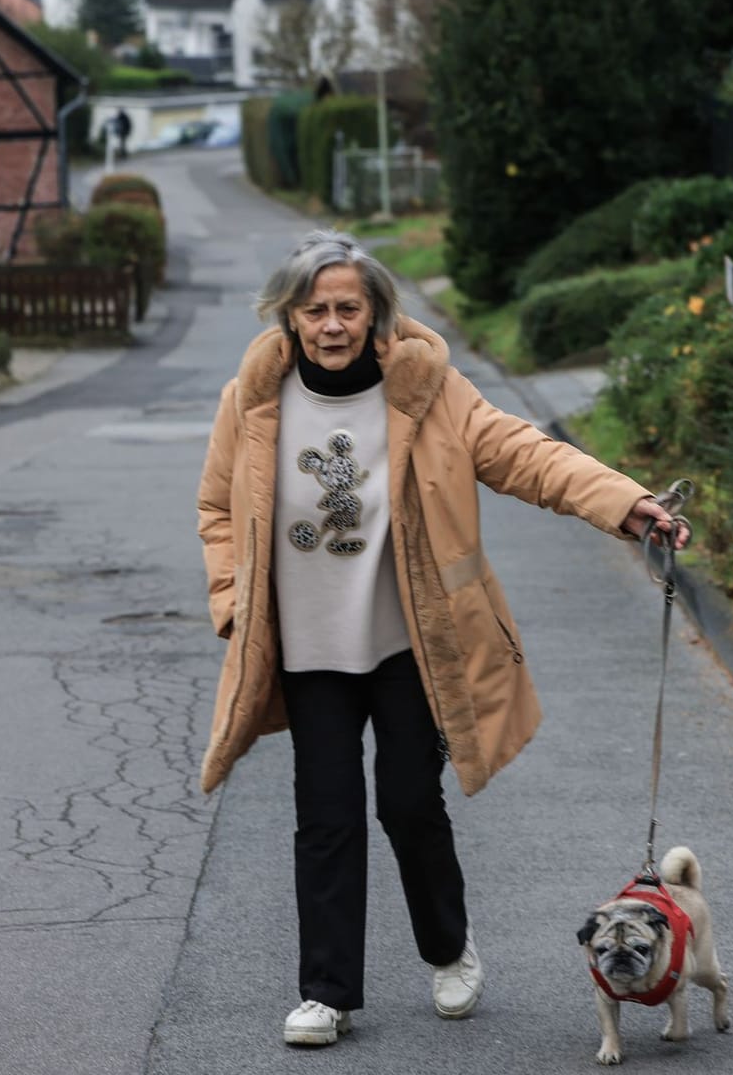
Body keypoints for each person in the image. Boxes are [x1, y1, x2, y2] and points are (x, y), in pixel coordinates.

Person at [195, 230, 689, 1047]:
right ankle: (326, 993)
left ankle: (448, 948)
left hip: (407, 644)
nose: (330, 326)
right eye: (313, 310)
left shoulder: (430, 391)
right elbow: (217, 511)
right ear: (288, 316)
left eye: (347, 308)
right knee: (326, 818)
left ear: (377, 313)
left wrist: (624, 503)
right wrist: (234, 604)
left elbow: (524, 454)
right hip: (308, 650)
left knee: (408, 804)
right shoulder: (250, 403)